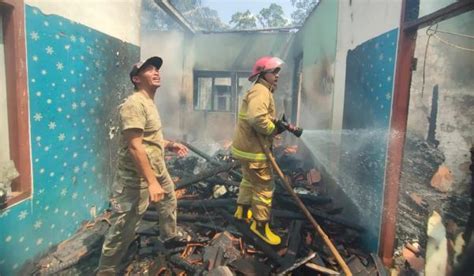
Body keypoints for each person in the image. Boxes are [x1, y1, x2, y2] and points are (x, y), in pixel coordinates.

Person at [97, 56, 189, 275]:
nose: (156, 72)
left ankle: (168, 237)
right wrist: (151, 183)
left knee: (169, 200)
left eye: (157, 69)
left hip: (158, 170)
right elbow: (135, 147)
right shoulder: (133, 104)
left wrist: (169, 145)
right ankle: (106, 270)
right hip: (134, 179)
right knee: (124, 227)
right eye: (149, 70)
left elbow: (149, 138)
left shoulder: (148, 102)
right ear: (137, 79)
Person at [231, 56, 288, 245]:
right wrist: (273, 129)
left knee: (248, 179)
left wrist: (273, 126)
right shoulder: (261, 91)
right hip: (254, 151)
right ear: (263, 74)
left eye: (278, 72)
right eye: (274, 72)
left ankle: (242, 210)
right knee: (264, 187)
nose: (277, 75)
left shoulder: (258, 90)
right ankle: (260, 226)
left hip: (245, 148)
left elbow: (257, 117)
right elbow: (257, 118)